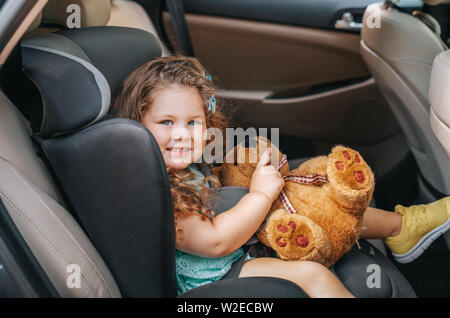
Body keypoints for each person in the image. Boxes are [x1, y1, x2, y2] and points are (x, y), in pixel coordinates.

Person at [112, 56, 450, 297]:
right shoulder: (160, 190)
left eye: (193, 122)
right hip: (215, 275)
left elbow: (226, 180)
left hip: (242, 245)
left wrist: (260, 165)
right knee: (313, 277)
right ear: (136, 126)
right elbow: (215, 243)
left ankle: (403, 227)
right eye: (166, 123)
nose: (182, 134)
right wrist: (260, 195)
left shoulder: (188, 166)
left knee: (320, 200)